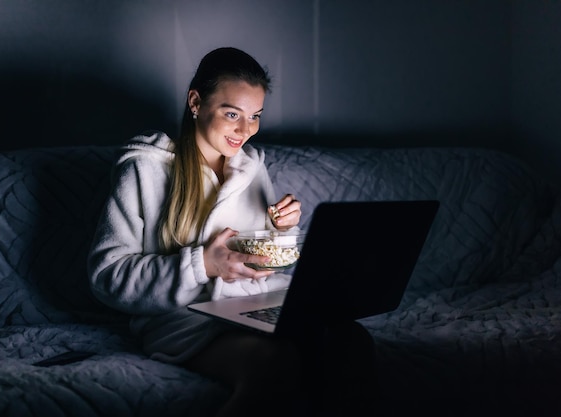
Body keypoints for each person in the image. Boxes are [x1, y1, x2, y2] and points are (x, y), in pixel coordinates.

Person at [88, 47, 376, 417]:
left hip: (254, 305)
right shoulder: (147, 169)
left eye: (255, 116)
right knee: (276, 363)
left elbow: (263, 263)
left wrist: (281, 231)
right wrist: (202, 265)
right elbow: (106, 276)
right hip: (187, 320)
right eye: (232, 114)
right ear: (195, 102)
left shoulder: (252, 169)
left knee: (352, 340)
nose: (246, 130)